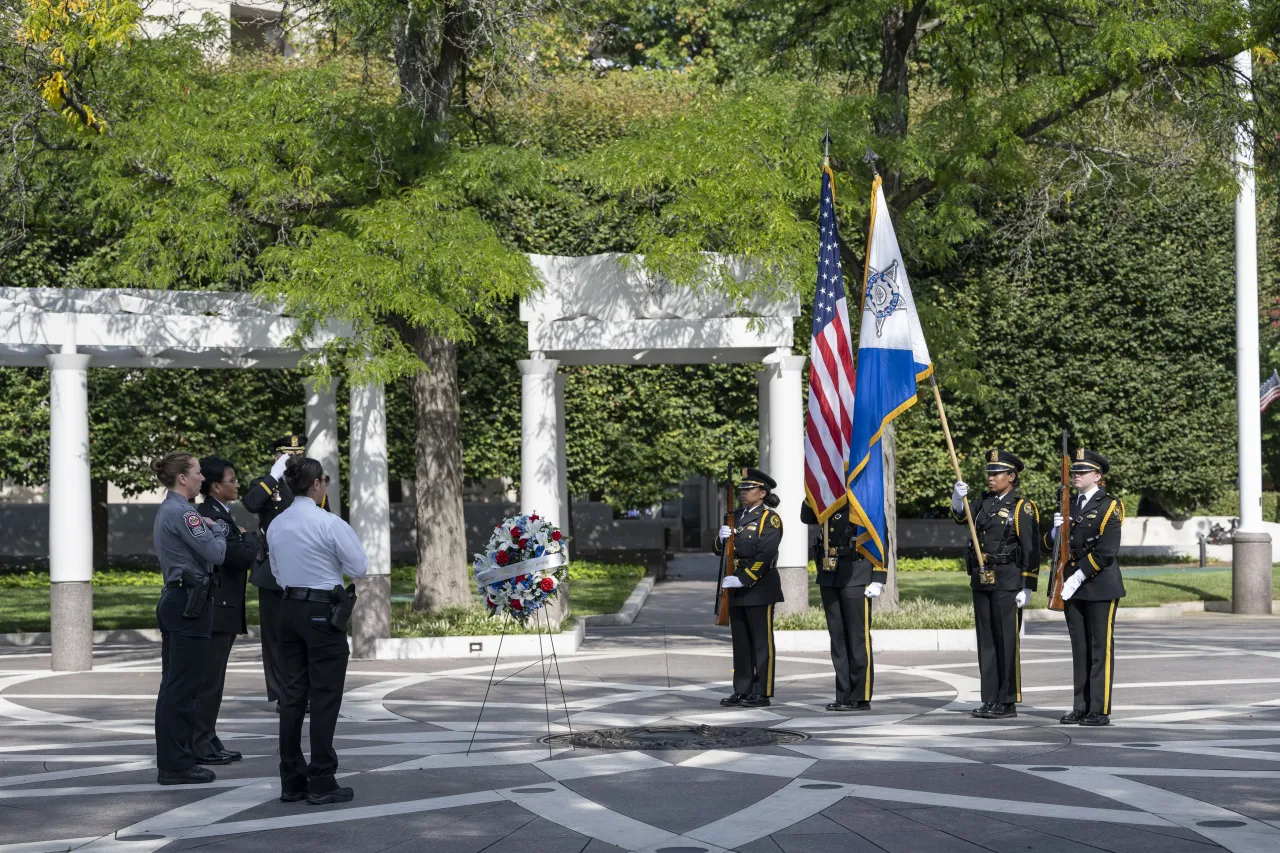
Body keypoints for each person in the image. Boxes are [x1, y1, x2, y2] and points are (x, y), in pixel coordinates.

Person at [268, 456, 367, 805]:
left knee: (292, 697)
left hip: (288, 608)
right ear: (315, 484)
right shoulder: (328, 522)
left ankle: (291, 779)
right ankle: (322, 778)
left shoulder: (277, 524)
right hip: (322, 610)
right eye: (324, 479)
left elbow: (278, 573)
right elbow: (359, 567)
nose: (325, 484)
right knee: (324, 697)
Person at [150, 451, 228, 785]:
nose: (201, 478)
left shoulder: (173, 510)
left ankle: (175, 757)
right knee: (182, 686)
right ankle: (176, 764)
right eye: (197, 472)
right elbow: (215, 553)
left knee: (175, 684)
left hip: (179, 599)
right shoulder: (185, 513)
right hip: (188, 602)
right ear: (182, 478)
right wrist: (221, 529)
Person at [951, 450, 1040, 720]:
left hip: (1008, 581)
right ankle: (990, 698)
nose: (990, 478)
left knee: (1006, 642)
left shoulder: (1022, 506)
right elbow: (961, 518)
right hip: (982, 578)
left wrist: (1028, 585)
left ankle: (1007, 700)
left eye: (996, 474)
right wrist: (957, 499)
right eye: (989, 473)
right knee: (987, 642)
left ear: (1011, 477)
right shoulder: (983, 502)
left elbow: (1031, 549)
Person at [1045, 448, 1125, 727]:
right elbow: (1051, 545)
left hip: (1100, 584)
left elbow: (1106, 551)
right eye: (1075, 471)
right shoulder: (1069, 502)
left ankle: (1099, 709)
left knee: (1099, 648)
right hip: (1071, 585)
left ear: (1098, 476)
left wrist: (1078, 576)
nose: (1076, 476)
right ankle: (1080, 706)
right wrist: (1054, 533)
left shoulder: (1110, 506)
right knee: (1079, 648)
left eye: (1082, 472)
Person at [192, 456, 260, 765]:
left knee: (215, 680)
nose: (237, 485)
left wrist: (243, 540)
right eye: (232, 480)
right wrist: (250, 537)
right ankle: (200, 741)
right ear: (216, 486)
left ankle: (209, 736)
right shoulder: (209, 514)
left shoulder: (221, 512)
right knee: (208, 680)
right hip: (217, 607)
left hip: (225, 606)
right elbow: (237, 558)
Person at [243, 434, 306, 711]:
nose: (294, 460)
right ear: (276, 456)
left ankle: (303, 691)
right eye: (288, 455)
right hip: (271, 568)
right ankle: (283, 694)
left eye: (298, 455)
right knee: (274, 636)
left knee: (303, 633)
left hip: (303, 565)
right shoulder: (264, 484)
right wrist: (274, 476)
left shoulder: (310, 484)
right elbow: (251, 503)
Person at [801, 501, 884, 711]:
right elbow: (807, 517)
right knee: (837, 639)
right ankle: (843, 695)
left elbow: (879, 538)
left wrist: (878, 577)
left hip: (856, 573)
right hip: (829, 574)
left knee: (857, 637)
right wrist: (811, 493)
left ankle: (860, 696)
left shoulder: (863, 501)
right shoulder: (827, 501)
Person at [714, 467, 784, 708]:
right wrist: (721, 539)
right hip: (735, 586)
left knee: (761, 641)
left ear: (763, 493)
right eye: (742, 489)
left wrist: (744, 578)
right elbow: (719, 550)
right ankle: (742, 689)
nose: (744, 493)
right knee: (741, 642)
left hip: (759, 586)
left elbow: (766, 553)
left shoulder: (769, 519)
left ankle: (761, 691)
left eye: (749, 489)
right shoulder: (734, 516)